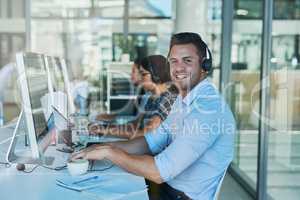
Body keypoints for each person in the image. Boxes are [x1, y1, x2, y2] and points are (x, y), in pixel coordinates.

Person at [71, 32, 235, 200]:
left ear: (204, 66)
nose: (178, 68)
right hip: (167, 190)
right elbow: (150, 142)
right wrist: (99, 148)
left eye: (187, 61)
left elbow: (159, 172)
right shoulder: (182, 100)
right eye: (173, 61)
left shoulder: (208, 109)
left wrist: (110, 152)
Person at [89, 55, 178, 139]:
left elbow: (147, 134)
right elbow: (136, 125)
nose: (140, 77)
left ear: (156, 75)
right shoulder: (153, 97)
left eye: (143, 74)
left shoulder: (168, 98)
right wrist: (104, 128)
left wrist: (105, 130)